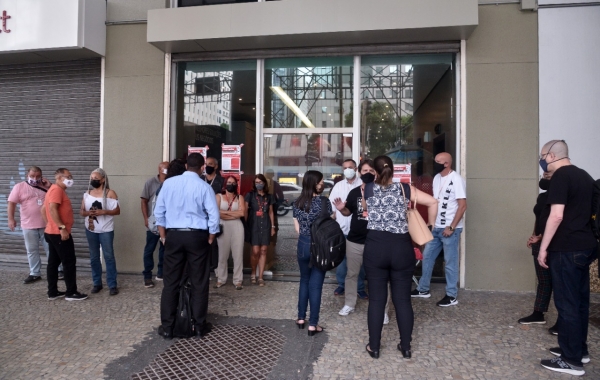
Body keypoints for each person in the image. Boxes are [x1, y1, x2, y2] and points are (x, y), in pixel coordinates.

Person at [363, 156, 437, 359]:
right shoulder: (405, 189)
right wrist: (430, 225)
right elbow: (432, 201)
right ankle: (405, 347)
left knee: (377, 300)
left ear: (375, 172)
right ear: (393, 171)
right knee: (402, 300)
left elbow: (366, 210)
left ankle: (375, 347)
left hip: (376, 247)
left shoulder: (367, 189)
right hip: (401, 248)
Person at [537, 140, 597, 376]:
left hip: (567, 248)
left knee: (567, 305)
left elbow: (556, 216)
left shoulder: (561, 176)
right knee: (581, 303)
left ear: (551, 156)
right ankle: (579, 350)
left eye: (543, 156)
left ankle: (571, 361)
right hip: (586, 246)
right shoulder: (585, 176)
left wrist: (543, 247)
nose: (541, 160)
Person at [154, 153, 220, 340]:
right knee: (199, 282)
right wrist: (210, 238)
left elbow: (159, 212)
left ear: (185, 166)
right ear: (201, 168)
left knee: (171, 283)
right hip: (197, 236)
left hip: (174, 234)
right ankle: (199, 326)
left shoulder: (169, 184)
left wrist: (164, 236)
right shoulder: (204, 186)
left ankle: (168, 327)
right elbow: (213, 216)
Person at [411, 152, 467, 307]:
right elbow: (435, 202)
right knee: (427, 257)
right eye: (434, 160)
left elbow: (462, 206)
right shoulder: (436, 179)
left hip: (450, 229)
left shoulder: (456, 179)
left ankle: (451, 295)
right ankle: (423, 289)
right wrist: (432, 223)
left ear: (447, 163)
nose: (434, 163)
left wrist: (451, 227)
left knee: (450, 262)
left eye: (438, 161)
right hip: (436, 228)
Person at [332, 159, 375, 316]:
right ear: (360, 173)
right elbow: (348, 212)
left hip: (376, 240)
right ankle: (349, 303)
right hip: (355, 239)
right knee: (351, 273)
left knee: (378, 275)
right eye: (365, 171)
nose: (368, 174)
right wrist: (341, 209)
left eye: (371, 171)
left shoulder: (381, 191)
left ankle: (379, 308)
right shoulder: (354, 192)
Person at [293, 170, 333, 336]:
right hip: (319, 247)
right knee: (316, 285)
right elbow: (330, 223)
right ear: (314, 183)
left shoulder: (298, 202)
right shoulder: (324, 202)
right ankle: (313, 324)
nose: (322, 184)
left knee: (304, 280)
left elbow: (297, 228)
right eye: (320, 181)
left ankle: (301, 318)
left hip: (303, 244)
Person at [8, 166, 63, 284]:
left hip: (47, 224)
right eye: (32, 176)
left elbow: (59, 195)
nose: (35, 178)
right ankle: (35, 273)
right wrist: (11, 219)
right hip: (28, 225)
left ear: (41, 176)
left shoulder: (47, 186)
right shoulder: (19, 187)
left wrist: (49, 186)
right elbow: (11, 203)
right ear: (27, 175)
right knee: (32, 250)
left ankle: (58, 270)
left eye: (38, 176)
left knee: (51, 249)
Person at [518, 172, 558, 334]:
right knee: (543, 280)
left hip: (556, 244)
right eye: (544, 175)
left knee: (560, 284)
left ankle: (564, 320)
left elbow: (556, 220)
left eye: (548, 176)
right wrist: (534, 235)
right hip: (539, 242)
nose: (543, 178)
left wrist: (541, 237)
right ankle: (538, 313)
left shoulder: (561, 197)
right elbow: (540, 218)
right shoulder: (542, 198)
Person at [41, 168, 88, 301]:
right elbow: (51, 208)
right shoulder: (56, 190)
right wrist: (61, 228)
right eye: (68, 176)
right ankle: (71, 292)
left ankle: (53, 292)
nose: (71, 179)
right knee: (69, 262)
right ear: (60, 178)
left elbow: (43, 210)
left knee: (53, 262)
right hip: (59, 233)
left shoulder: (53, 189)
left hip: (52, 232)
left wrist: (49, 224)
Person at [329, 159, 367, 299]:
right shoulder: (338, 186)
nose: (347, 170)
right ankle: (342, 285)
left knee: (360, 261)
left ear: (356, 168)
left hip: (359, 230)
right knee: (342, 260)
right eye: (345, 168)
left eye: (350, 167)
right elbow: (332, 209)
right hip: (342, 229)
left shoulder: (362, 185)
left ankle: (360, 287)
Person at [80, 168, 120, 296]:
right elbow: (81, 212)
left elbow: (117, 211)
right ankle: (97, 283)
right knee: (94, 257)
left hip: (106, 229)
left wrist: (104, 212)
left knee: (108, 256)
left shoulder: (110, 193)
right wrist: (88, 213)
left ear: (103, 180)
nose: (93, 180)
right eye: (92, 178)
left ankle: (112, 284)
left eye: (96, 179)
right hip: (91, 229)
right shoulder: (87, 193)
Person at [214, 176, 246, 290]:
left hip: (237, 226)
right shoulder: (218, 196)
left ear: (236, 184)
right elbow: (215, 213)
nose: (230, 184)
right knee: (222, 254)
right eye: (229, 182)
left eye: (233, 182)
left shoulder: (240, 197)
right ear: (225, 184)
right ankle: (221, 279)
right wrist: (233, 213)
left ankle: (238, 280)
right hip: (223, 226)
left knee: (238, 255)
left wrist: (224, 213)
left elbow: (242, 213)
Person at [141, 161, 169, 288]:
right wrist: (146, 218)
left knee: (164, 248)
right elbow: (144, 201)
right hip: (153, 222)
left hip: (167, 222)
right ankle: (147, 276)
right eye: (165, 169)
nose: (167, 171)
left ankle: (161, 272)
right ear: (159, 169)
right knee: (149, 249)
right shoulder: (150, 183)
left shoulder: (171, 183)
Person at [244, 174, 276, 287]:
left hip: (266, 225)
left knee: (263, 251)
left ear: (264, 183)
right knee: (255, 251)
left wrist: (273, 227)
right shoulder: (250, 195)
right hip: (254, 225)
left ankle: (260, 277)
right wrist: (245, 225)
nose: (259, 184)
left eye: (261, 182)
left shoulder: (269, 196)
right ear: (254, 183)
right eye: (257, 182)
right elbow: (245, 211)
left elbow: (271, 212)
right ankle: (253, 272)